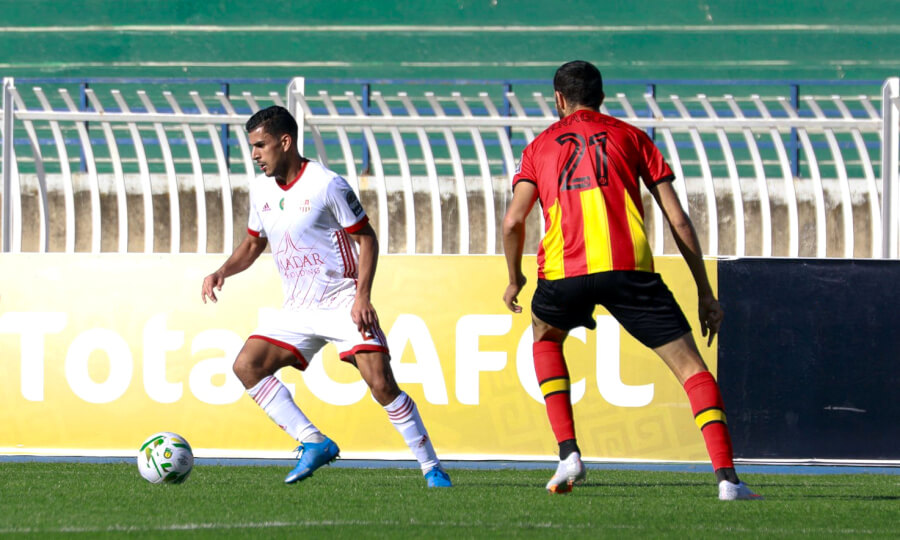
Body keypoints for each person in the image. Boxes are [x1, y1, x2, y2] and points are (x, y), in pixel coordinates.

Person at [501, 60, 759, 500]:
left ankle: (568, 453)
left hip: (563, 273)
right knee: (692, 369)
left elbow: (512, 222)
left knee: (544, 338)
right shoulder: (634, 137)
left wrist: (515, 279)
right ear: (603, 96)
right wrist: (704, 292)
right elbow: (678, 219)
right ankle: (727, 480)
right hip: (630, 273)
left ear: (559, 100)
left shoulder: (537, 147)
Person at [201, 105, 451, 488]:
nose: (254, 155)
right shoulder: (261, 189)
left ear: (285, 142)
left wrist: (362, 297)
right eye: (252, 147)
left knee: (381, 384)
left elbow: (366, 238)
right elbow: (253, 244)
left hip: (341, 303)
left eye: (261, 146)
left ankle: (431, 467)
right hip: (297, 310)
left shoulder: (326, 184)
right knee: (246, 366)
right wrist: (222, 271)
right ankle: (313, 441)